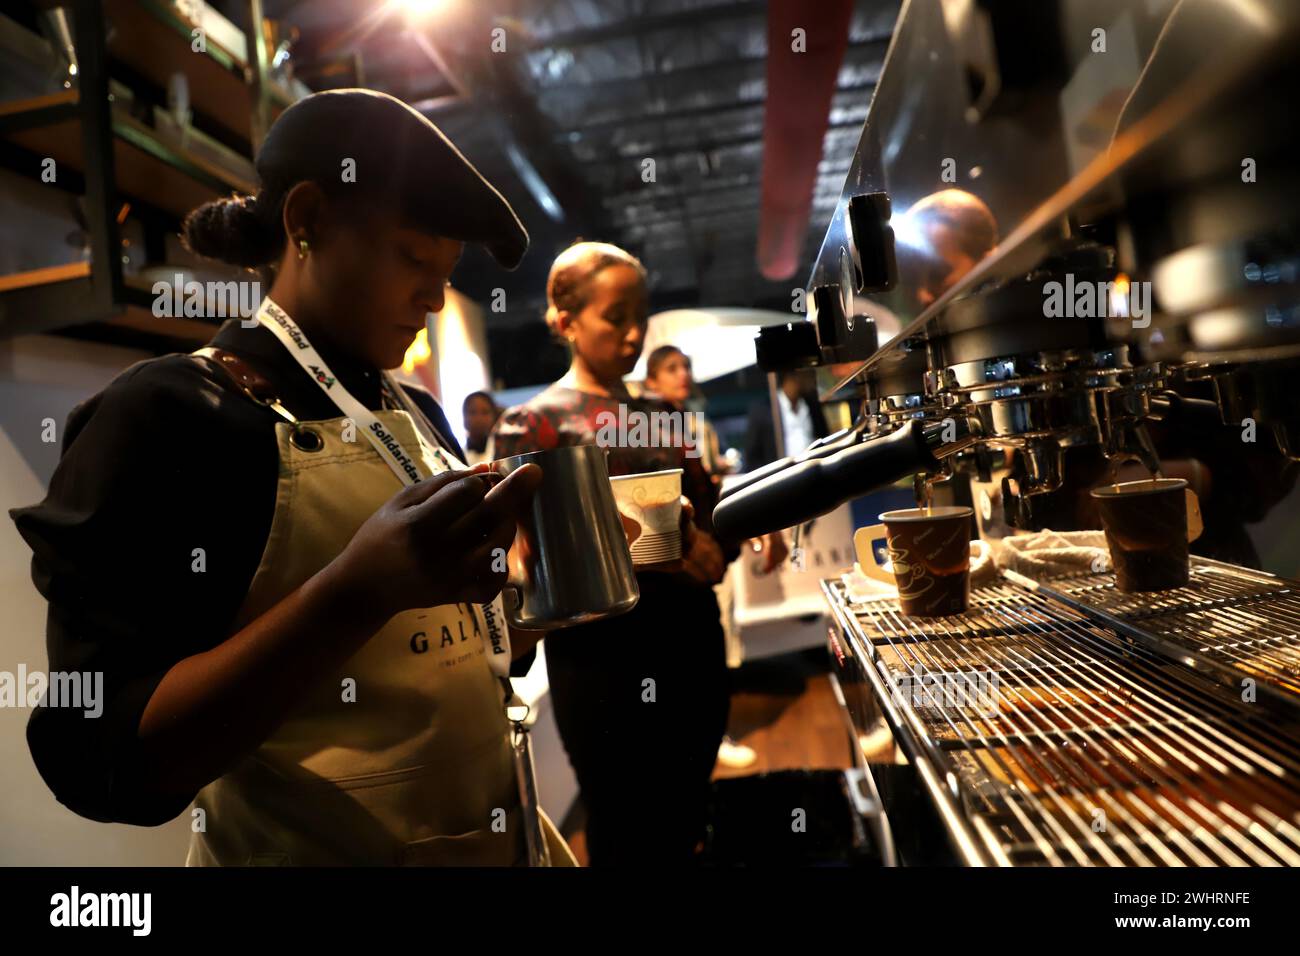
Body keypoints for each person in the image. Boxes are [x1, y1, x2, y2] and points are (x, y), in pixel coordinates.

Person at [9, 89, 575, 866]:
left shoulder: (415, 414)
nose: (434, 298)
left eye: (445, 273)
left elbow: (458, 663)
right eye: (414, 257)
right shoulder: (172, 414)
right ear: (305, 219)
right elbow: (101, 757)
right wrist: (355, 593)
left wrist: (537, 600)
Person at [491, 242, 747, 864]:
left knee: (687, 807)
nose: (633, 334)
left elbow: (711, 516)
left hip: (688, 639)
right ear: (565, 317)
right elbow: (521, 571)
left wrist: (720, 545)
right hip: (603, 659)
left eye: (642, 315)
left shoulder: (660, 412)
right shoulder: (530, 425)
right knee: (622, 821)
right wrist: (641, 556)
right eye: (615, 316)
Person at [744, 369, 830, 470]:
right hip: (783, 478)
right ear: (794, 375)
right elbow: (752, 457)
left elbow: (824, 438)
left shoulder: (813, 405)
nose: (813, 376)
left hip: (813, 471)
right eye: (808, 372)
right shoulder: (763, 410)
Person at [462, 390, 500, 466]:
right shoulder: (456, 456)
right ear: (464, 417)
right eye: (472, 412)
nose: (479, 418)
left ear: (494, 417)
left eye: (485, 412)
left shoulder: (503, 450)